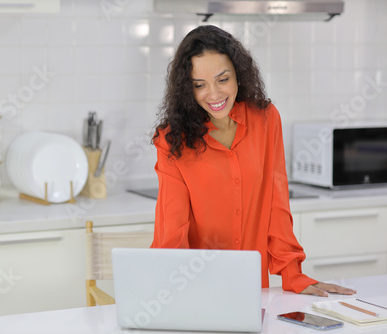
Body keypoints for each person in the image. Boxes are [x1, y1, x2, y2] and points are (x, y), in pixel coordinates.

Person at [151, 25, 356, 297]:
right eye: (199, 85)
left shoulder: (266, 119)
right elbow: (173, 226)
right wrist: (177, 290)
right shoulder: (171, 139)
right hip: (195, 287)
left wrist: (292, 273)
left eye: (222, 80)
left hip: (251, 287)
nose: (213, 94)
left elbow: (277, 203)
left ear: (239, 75)